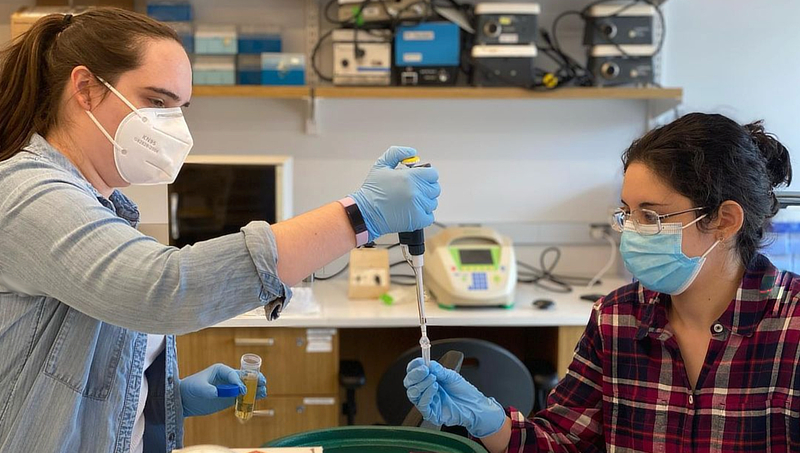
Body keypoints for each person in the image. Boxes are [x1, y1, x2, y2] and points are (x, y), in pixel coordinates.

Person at [0, 8, 440, 453]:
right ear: (86, 89)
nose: (173, 127)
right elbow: (161, 288)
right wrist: (357, 216)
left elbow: (76, 371)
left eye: (179, 108)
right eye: (157, 102)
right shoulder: (27, 193)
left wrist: (170, 399)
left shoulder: (102, 205)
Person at [405, 113, 799, 452]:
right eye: (628, 212)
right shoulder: (617, 319)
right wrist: (486, 419)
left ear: (725, 221)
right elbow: (563, 442)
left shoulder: (791, 326)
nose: (633, 231)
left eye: (652, 216)